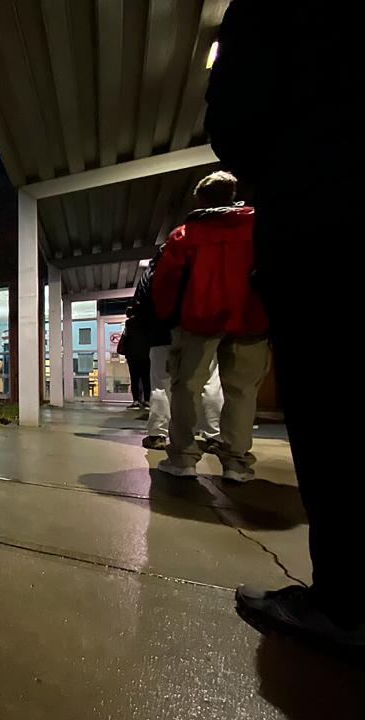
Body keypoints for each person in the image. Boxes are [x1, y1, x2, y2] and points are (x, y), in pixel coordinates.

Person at [205, 1, 362, 647]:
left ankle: (348, 602)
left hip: (318, 227)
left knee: (330, 414)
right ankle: (236, 458)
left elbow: (235, 114)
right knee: (239, 390)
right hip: (257, 307)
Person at [152, 170, 269, 483]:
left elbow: (166, 283)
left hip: (198, 320)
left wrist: (168, 318)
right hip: (250, 319)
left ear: (200, 199)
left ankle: (183, 458)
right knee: (242, 391)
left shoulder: (185, 235)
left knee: (186, 386)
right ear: (233, 195)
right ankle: (236, 462)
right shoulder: (258, 227)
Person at [132, 246, 224, 450]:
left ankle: (158, 434)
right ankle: (213, 435)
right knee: (209, 381)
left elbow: (139, 306)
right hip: (200, 332)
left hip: (161, 336)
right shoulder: (201, 265)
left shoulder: (152, 272)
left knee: (161, 384)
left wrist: (146, 333)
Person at [117, 307, 150, 409]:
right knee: (146, 379)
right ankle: (147, 401)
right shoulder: (146, 323)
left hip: (132, 356)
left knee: (134, 379)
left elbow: (126, 338)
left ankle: (135, 401)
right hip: (145, 355)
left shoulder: (129, 324)